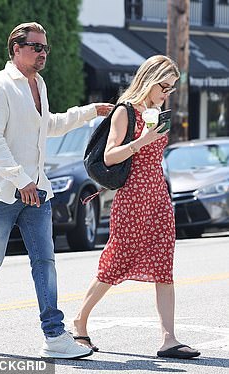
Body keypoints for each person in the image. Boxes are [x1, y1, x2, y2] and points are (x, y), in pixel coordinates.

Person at [0, 22, 113, 359]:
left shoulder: (37, 83)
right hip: (2, 193)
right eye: (35, 47)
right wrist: (19, 179)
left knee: (45, 262)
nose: (42, 53)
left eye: (45, 48)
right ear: (16, 48)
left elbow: (48, 125)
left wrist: (89, 112)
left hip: (37, 190)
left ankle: (54, 336)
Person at [72, 55, 201, 359]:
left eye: (171, 89)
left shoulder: (158, 112)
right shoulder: (125, 111)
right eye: (164, 86)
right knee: (116, 262)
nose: (167, 93)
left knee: (163, 266)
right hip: (132, 197)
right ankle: (79, 321)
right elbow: (109, 156)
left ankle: (168, 339)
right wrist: (141, 140)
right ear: (149, 79)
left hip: (158, 195)